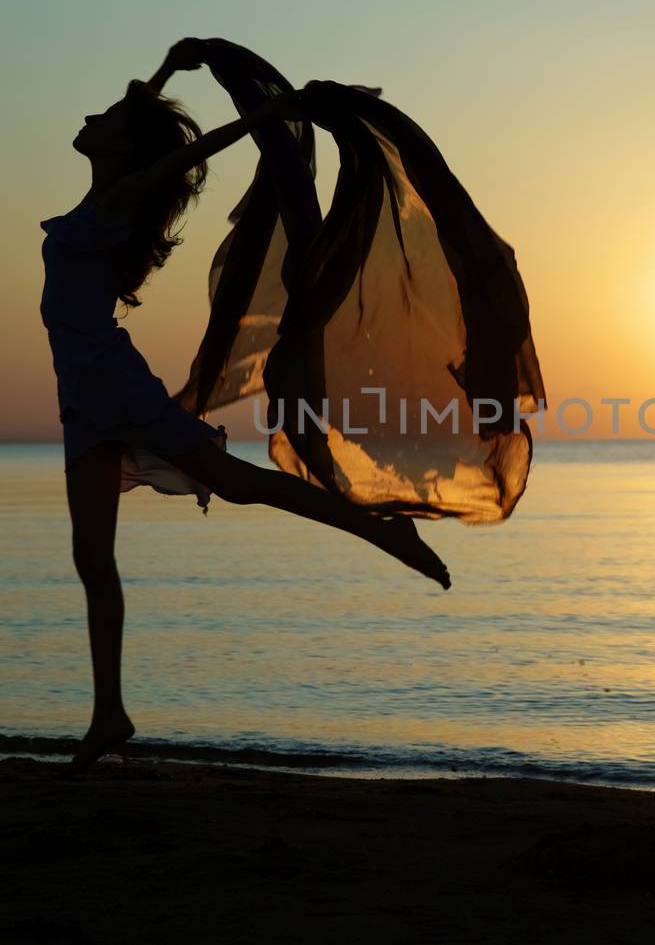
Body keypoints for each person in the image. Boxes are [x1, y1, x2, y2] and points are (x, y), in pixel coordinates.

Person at [43, 38, 450, 776]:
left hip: (110, 383)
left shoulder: (124, 194)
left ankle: (385, 529)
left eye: (102, 114)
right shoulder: (106, 189)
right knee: (91, 558)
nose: (87, 115)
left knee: (239, 484)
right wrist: (174, 65)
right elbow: (138, 104)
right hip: (83, 398)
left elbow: (204, 149)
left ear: (123, 145)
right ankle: (109, 713)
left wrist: (275, 110)